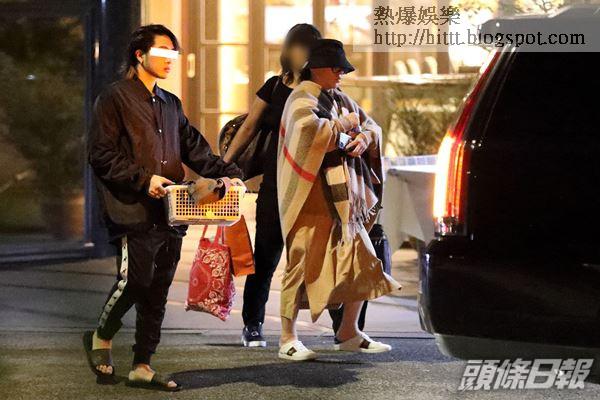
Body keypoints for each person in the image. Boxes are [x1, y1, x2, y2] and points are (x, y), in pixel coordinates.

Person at [85, 24, 243, 390]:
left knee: (157, 291)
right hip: (131, 209)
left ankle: (142, 365)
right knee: (135, 280)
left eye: (174, 53)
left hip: (172, 212)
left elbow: (196, 150)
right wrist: (144, 180)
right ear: (140, 55)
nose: (171, 59)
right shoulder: (114, 98)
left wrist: (232, 176)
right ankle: (101, 336)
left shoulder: (171, 104)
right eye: (162, 51)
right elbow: (101, 154)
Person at [276, 38, 401, 361]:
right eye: (336, 68)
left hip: (344, 200)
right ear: (318, 68)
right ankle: (287, 338)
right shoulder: (300, 97)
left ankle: (348, 332)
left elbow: (371, 126)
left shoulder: (339, 98)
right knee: (301, 263)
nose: (341, 74)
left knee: (362, 260)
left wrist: (364, 138)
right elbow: (309, 133)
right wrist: (345, 126)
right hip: (310, 196)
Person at [223, 24, 322, 347]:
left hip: (308, 187)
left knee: (315, 257)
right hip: (275, 185)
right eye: (299, 46)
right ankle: (252, 324)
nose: (302, 53)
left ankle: (342, 328)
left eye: (308, 48)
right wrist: (223, 164)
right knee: (265, 257)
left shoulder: (319, 90)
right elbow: (249, 126)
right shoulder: (274, 86)